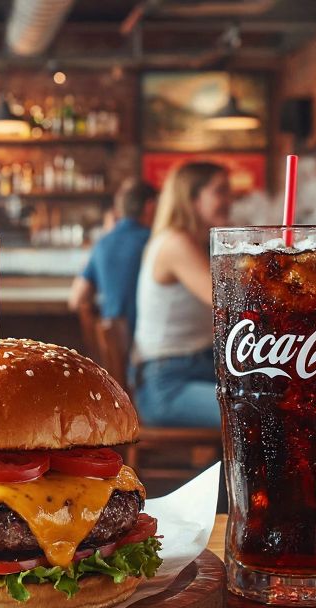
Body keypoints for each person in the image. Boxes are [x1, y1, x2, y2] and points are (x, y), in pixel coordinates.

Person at [132, 162, 232, 428]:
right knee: (250, 413)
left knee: (273, 401)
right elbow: (228, 302)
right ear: (192, 199)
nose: (229, 200)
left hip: (196, 369)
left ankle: (227, 469)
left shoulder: (191, 242)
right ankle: (224, 470)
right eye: (220, 191)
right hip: (166, 385)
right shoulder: (176, 243)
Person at [68, 178, 158, 334]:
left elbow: (76, 300)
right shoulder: (156, 243)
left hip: (114, 344)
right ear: (150, 206)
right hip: (147, 344)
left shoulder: (103, 242)